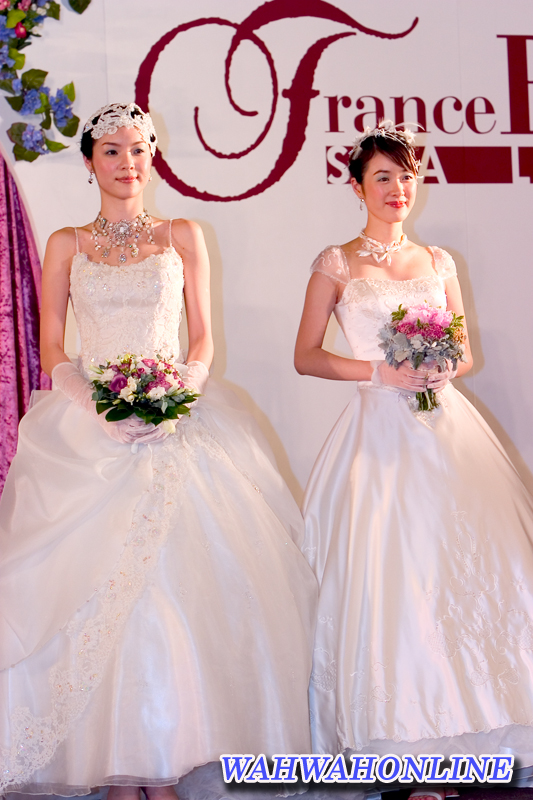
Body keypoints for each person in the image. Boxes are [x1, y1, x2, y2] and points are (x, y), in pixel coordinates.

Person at [0, 102, 317, 799]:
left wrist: (175, 396)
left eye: (139, 149)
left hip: (177, 422)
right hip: (90, 426)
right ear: (90, 162)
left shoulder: (182, 234)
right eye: (111, 151)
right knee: (97, 595)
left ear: (152, 157)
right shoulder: (66, 243)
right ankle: (114, 769)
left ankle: (167, 760)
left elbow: (201, 337)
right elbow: (52, 346)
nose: (128, 163)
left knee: (176, 594)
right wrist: (100, 408)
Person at [294, 121, 533, 783]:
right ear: (357, 187)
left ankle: (474, 738)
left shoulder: (438, 261)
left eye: (406, 175)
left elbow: (465, 351)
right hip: (377, 432)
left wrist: (439, 367)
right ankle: (407, 752)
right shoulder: (336, 263)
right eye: (383, 177)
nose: (398, 189)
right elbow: (306, 355)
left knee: (465, 570)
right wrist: (379, 372)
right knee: (393, 577)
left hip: (446, 429)